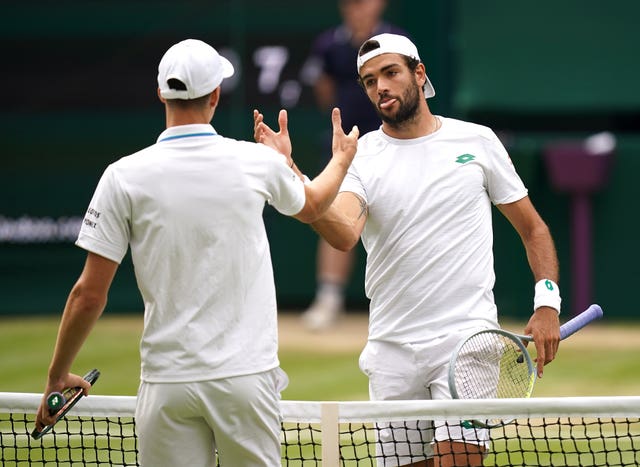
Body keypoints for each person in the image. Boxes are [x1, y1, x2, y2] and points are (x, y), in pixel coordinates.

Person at [34, 38, 358, 466]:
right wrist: (341, 157)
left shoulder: (121, 176)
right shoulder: (254, 161)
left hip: (167, 383)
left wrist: (57, 375)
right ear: (216, 96)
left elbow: (87, 295)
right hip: (245, 378)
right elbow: (315, 204)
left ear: (160, 94)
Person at [255, 33, 562, 467]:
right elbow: (342, 232)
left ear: (419, 75)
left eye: (391, 72)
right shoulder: (361, 159)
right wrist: (291, 175)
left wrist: (547, 302)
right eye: (369, 80)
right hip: (391, 349)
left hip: (467, 342)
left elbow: (533, 229)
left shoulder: (476, 142)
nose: (380, 86)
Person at [299, 0, 408, 331]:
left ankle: (402, 301)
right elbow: (323, 89)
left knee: (399, 215)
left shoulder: (396, 39)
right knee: (334, 215)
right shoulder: (328, 45)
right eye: (351, 3)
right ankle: (329, 299)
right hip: (344, 146)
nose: (356, 9)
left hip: (392, 144)